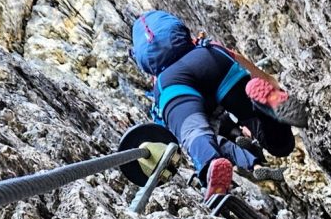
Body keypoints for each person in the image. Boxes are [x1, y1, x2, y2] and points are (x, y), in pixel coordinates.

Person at [130, 11, 306, 203]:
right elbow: (240, 60)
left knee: (194, 132)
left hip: (174, 84)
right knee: (280, 145)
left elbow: (169, 131)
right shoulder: (202, 44)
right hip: (211, 59)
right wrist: (270, 83)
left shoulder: (160, 81)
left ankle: (211, 162)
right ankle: (263, 107)